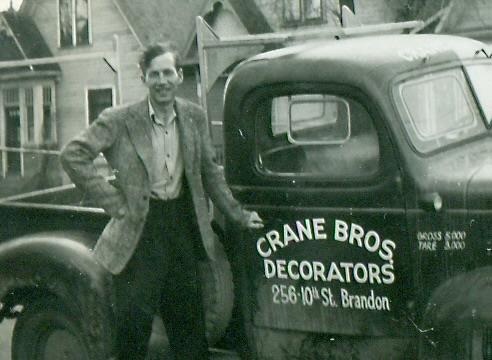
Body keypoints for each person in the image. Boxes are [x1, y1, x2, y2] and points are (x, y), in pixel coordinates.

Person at [60, 41, 263, 360]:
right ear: (144, 79)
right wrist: (113, 201)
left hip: (182, 228)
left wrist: (238, 215)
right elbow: (73, 154)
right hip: (140, 233)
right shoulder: (121, 119)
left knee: (189, 325)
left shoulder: (194, 117)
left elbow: (210, 173)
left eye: (168, 72)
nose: (162, 80)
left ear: (179, 76)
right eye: (154, 74)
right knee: (134, 327)